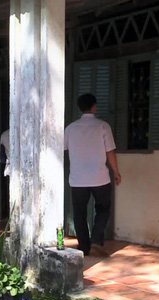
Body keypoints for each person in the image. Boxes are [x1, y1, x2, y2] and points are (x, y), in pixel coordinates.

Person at [64, 93, 121, 257]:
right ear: (94, 107)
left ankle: (83, 246)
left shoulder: (70, 128)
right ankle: (96, 239)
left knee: (79, 213)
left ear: (79, 109)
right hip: (100, 178)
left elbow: (62, 149)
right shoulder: (103, 126)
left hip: (77, 179)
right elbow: (110, 151)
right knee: (103, 209)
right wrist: (116, 172)